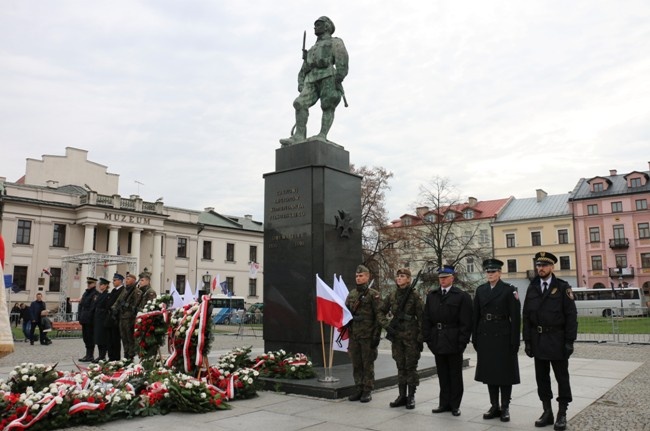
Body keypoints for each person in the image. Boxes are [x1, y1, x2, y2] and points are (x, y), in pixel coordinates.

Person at [522, 251, 577, 431]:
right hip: (538, 340)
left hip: (557, 340)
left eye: (544, 265)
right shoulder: (532, 287)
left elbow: (571, 316)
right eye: (538, 265)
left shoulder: (562, 287)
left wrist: (570, 341)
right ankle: (547, 411)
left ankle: (562, 412)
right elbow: (527, 316)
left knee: (562, 378)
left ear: (552, 267)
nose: (540, 268)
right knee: (542, 378)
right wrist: (528, 341)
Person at [279, 16, 349, 146]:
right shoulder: (312, 49)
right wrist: (300, 82)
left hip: (328, 76)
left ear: (327, 26)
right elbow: (304, 68)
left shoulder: (335, 42)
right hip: (311, 79)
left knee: (327, 105)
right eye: (315, 25)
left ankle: (322, 134)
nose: (315, 27)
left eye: (318, 24)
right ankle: (299, 136)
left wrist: (339, 75)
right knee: (299, 103)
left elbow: (342, 58)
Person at [472, 258, 521, 422]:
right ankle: (494, 405)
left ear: (500, 273)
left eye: (493, 271)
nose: (490, 274)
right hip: (485, 335)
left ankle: (505, 406)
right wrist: (475, 337)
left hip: (503, 335)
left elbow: (515, 317)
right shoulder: (480, 290)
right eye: (487, 271)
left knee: (505, 373)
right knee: (490, 372)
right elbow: (475, 315)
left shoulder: (509, 290)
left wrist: (515, 340)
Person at [422, 264, 472, 417]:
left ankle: (455, 405)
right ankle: (443, 403)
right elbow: (426, 319)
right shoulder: (432, 295)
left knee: (455, 375)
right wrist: (429, 340)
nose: (442, 280)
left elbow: (466, 322)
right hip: (437, 340)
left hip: (454, 340)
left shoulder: (461, 296)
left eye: (445, 277)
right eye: (440, 278)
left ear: (452, 278)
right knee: (442, 374)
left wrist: (462, 342)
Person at [345, 264, 389, 403]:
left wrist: (376, 335)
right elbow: (346, 313)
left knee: (367, 364)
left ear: (367, 276)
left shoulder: (373, 294)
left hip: (368, 335)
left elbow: (379, 316)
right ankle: (358, 388)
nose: (358, 278)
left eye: (361, 276)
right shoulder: (352, 294)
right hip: (355, 335)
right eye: (357, 276)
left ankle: (367, 390)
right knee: (356, 364)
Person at [382, 268, 424, 409]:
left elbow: (422, 318)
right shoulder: (392, 296)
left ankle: (411, 396)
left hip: (411, 338)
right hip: (397, 337)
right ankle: (402, 396)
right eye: (398, 276)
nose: (399, 278)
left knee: (411, 367)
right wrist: (387, 326)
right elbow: (380, 311)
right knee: (400, 366)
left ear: (408, 279)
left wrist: (420, 337)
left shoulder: (415, 296)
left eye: (402, 276)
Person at [117, 272, 143, 361]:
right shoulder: (125, 290)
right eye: (126, 279)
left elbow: (137, 305)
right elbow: (118, 301)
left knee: (130, 338)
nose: (126, 281)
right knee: (124, 337)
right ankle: (126, 354)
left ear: (133, 281)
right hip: (122, 317)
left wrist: (128, 306)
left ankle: (131, 356)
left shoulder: (137, 292)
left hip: (130, 318)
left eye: (128, 279)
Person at [77, 277, 99, 362]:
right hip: (84, 318)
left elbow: (92, 307)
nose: (89, 285)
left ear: (94, 284)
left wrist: (89, 318)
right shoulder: (86, 293)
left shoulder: (95, 294)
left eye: (90, 284)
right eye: (88, 284)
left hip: (90, 320)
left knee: (90, 338)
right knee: (85, 338)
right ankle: (87, 354)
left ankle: (90, 355)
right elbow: (81, 305)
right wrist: (80, 316)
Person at [106, 273, 125, 361]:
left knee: (115, 339)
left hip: (116, 318)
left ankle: (116, 357)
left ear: (120, 281)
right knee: (109, 339)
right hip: (110, 318)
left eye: (115, 280)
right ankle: (111, 357)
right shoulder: (114, 291)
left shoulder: (122, 291)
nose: (113, 282)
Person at [92, 278, 111, 362]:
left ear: (106, 286)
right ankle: (100, 355)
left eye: (102, 285)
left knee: (102, 339)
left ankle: (102, 355)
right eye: (100, 285)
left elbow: (107, 307)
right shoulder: (99, 295)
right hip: (97, 319)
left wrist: (100, 312)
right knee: (98, 338)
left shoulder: (107, 295)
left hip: (102, 319)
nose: (100, 286)